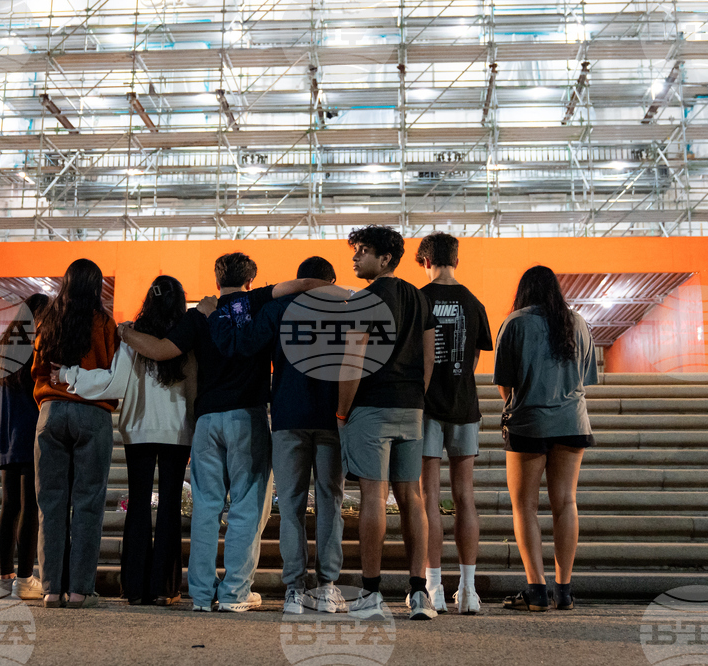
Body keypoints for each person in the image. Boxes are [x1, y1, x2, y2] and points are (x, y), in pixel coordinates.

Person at [116, 253, 329, 613]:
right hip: (247, 416)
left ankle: (200, 594)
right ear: (250, 280)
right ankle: (234, 593)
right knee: (247, 505)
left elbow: (160, 350)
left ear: (217, 281)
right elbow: (307, 284)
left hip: (207, 420)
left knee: (205, 508)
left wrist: (124, 331)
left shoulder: (199, 314)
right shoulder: (258, 300)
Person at [206, 256, 347, 615]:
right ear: (330, 280)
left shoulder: (278, 307)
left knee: (291, 507)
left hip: (286, 415)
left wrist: (221, 312)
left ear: (299, 279)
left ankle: (294, 590)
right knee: (330, 501)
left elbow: (245, 345)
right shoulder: (345, 308)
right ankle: (327, 587)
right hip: (332, 418)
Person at [53, 276, 197, 606]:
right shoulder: (186, 333)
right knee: (171, 505)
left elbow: (114, 383)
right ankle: (165, 588)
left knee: (139, 505)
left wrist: (68, 375)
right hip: (178, 431)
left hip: (139, 430)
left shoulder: (132, 335)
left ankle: (134, 588)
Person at [337, 225, 438, 621]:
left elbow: (352, 362)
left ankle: (372, 592)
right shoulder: (419, 298)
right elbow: (430, 359)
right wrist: (415, 396)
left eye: (362, 251)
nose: (355, 257)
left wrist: (343, 411)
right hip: (411, 406)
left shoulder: (363, 300)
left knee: (374, 497)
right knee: (411, 496)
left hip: (371, 407)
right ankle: (418, 593)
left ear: (384, 259)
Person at [494, 265, 598, 612]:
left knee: (524, 505)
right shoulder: (578, 323)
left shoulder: (515, 323)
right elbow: (585, 376)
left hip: (529, 423)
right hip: (573, 421)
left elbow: (504, 383)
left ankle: (537, 591)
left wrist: (515, 401)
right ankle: (564, 591)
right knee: (565, 502)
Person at [31, 258, 119, 609]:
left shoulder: (49, 319)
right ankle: (80, 590)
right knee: (88, 503)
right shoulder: (106, 323)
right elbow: (113, 369)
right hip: (93, 415)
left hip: (51, 412)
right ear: (96, 287)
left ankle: (51, 589)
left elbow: (37, 367)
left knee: (50, 504)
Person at [415, 232, 493, 615]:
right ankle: (469, 589)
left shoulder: (418, 299)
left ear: (425, 261)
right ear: (455, 260)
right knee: (465, 495)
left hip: (425, 408)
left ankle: (433, 588)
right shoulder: (474, 302)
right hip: (465, 407)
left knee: (428, 495)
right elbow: (475, 362)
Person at [0, 293, 50, 601]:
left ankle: (4, 578)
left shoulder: (3, 347)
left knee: (9, 506)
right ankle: (25, 578)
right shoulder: (34, 346)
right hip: (28, 432)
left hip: (6, 438)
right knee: (30, 507)